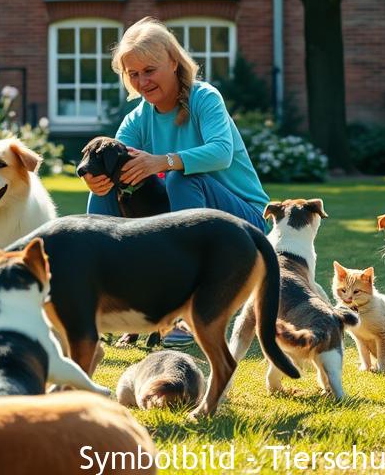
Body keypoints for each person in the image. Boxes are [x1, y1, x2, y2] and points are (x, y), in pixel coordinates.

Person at [81, 17, 271, 344]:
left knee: (181, 180)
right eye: (133, 74)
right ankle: (101, 302)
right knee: (108, 191)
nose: (142, 81)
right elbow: (115, 164)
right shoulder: (136, 118)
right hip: (185, 222)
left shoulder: (204, 98)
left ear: (172, 62)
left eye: (149, 70)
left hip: (246, 224)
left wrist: (163, 161)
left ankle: (188, 309)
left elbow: (222, 153)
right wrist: (98, 179)